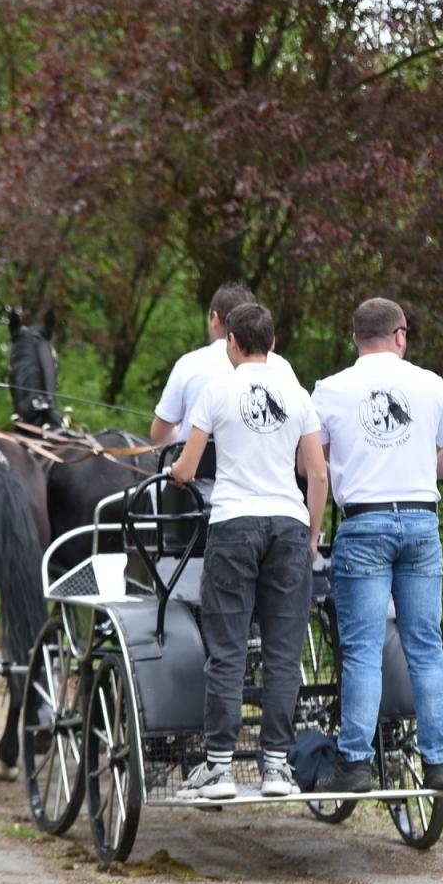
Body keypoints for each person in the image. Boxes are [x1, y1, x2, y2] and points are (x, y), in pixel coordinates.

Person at [310, 297, 443, 793]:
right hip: (422, 523)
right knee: (426, 647)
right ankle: (439, 763)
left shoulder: (330, 389)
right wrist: (422, 472)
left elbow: (310, 464)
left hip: (363, 525)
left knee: (361, 651)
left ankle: (355, 763)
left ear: (356, 338)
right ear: (400, 335)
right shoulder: (430, 384)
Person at [167, 303, 328, 798]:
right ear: (273, 344)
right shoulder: (297, 394)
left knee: (228, 649)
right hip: (287, 524)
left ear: (231, 343)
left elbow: (188, 469)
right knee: (283, 652)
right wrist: (312, 535)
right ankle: (277, 767)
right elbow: (317, 473)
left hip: (234, 524)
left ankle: (218, 767)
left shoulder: (217, 390)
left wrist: (176, 472)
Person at [150, 282, 298, 448]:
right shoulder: (283, 368)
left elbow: (159, 435)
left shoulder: (189, 364)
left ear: (214, 318)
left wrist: (184, 431)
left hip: (197, 470)